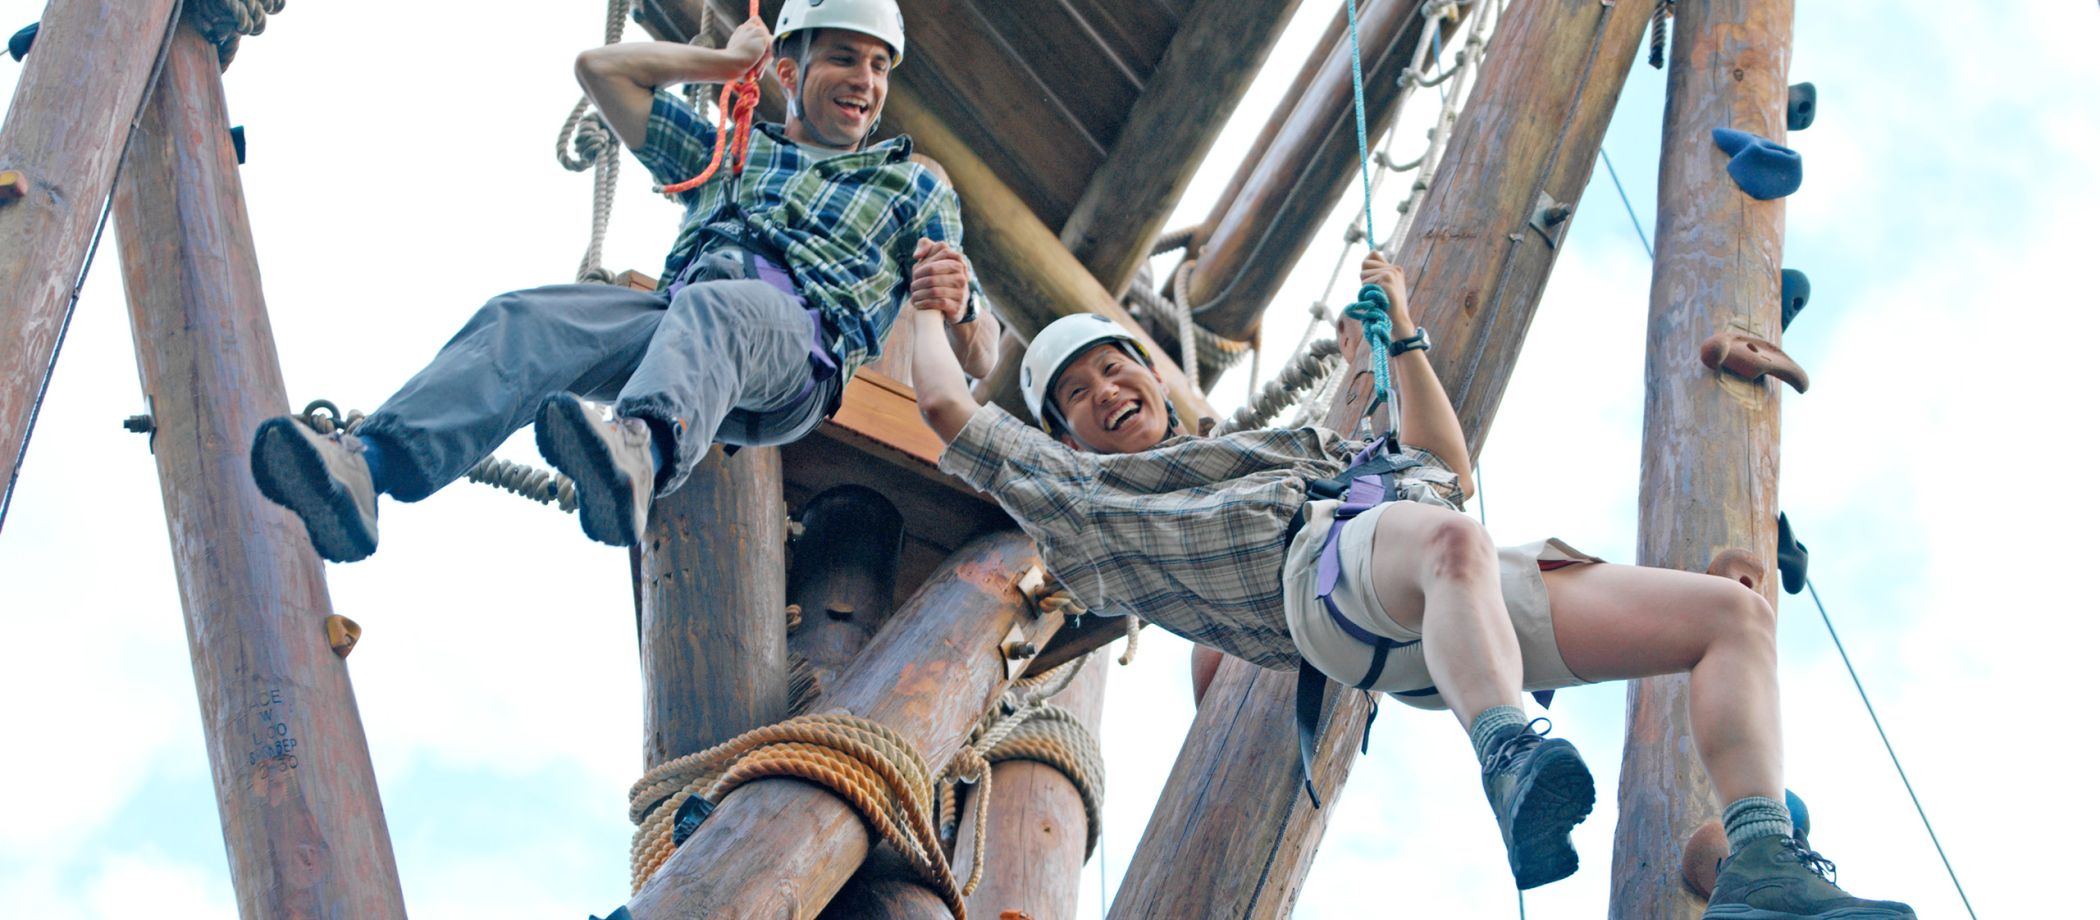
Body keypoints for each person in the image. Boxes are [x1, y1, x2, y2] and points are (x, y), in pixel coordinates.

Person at [906, 248, 1914, 918]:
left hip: (1448, 586)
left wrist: (1403, 332)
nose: (1106, 395)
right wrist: (926, 310)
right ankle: (1510, 749)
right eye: (1077, 398)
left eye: (1115, 370)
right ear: (1064, 434)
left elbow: (1442, 460)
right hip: (1328, 587)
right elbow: (948, 408)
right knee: (1445, 541)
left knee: (1730, 616)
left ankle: (1762, 859)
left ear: (1152, 376)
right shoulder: (1093, 500)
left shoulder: (1286, 445)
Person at [248, 0, 997, 561]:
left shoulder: (911, 189)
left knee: (722, 308)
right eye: (845, 58)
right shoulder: (732, 153)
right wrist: (723, 64)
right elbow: (600, 71)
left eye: (878, 66)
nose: (865, 81)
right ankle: (369, 467)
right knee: (526, 319)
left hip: (797, 351)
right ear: (790, 73)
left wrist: (958, 302)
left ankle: (639, 453)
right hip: (684, 326)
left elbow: (983, 354)